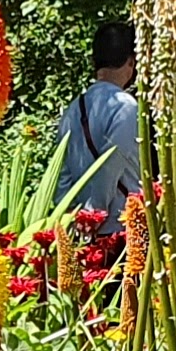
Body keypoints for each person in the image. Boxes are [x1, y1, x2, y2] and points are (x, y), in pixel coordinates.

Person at [53, 20, 141, 219]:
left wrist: (70, 217)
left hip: (77, 224)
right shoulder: (126, 106)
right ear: (131, 62)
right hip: (119, 224)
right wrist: (95, 214)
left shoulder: (73, 109)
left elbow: (62, 173)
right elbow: (112, 163)